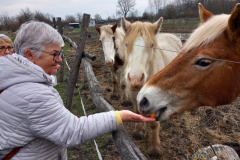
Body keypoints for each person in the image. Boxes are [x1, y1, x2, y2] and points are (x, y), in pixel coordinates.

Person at [0, 21, 155, 160]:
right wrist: (120, 115)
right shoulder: (33, 96)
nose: (60, 59)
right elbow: (73, 130)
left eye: (60, 53)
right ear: (30, 54)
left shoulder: (11, 80)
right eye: (55, 54)